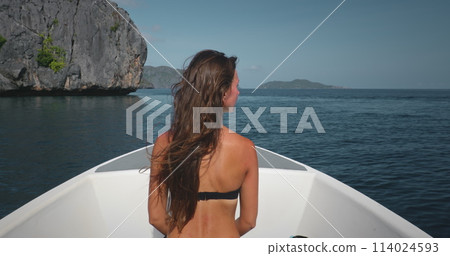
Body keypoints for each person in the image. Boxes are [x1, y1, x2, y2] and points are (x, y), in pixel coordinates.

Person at [148, 50, 258, 238]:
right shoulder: (245, 148)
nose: (238, 91)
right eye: (236, 85)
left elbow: (156, 218)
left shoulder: (164, 143)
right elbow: (248, 221)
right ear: (223, 92)